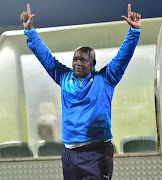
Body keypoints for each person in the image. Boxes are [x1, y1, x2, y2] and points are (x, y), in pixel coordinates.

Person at [20, 4, 141, 180]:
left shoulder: (105, 79)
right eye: (75, 59)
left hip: (96, 152)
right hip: (70, 154)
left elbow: (122, 57)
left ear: (93, 64)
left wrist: (134, 32)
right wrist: (30, 31)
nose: (77, 63)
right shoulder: (64, 78)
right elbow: (45, 56)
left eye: (83, 60)